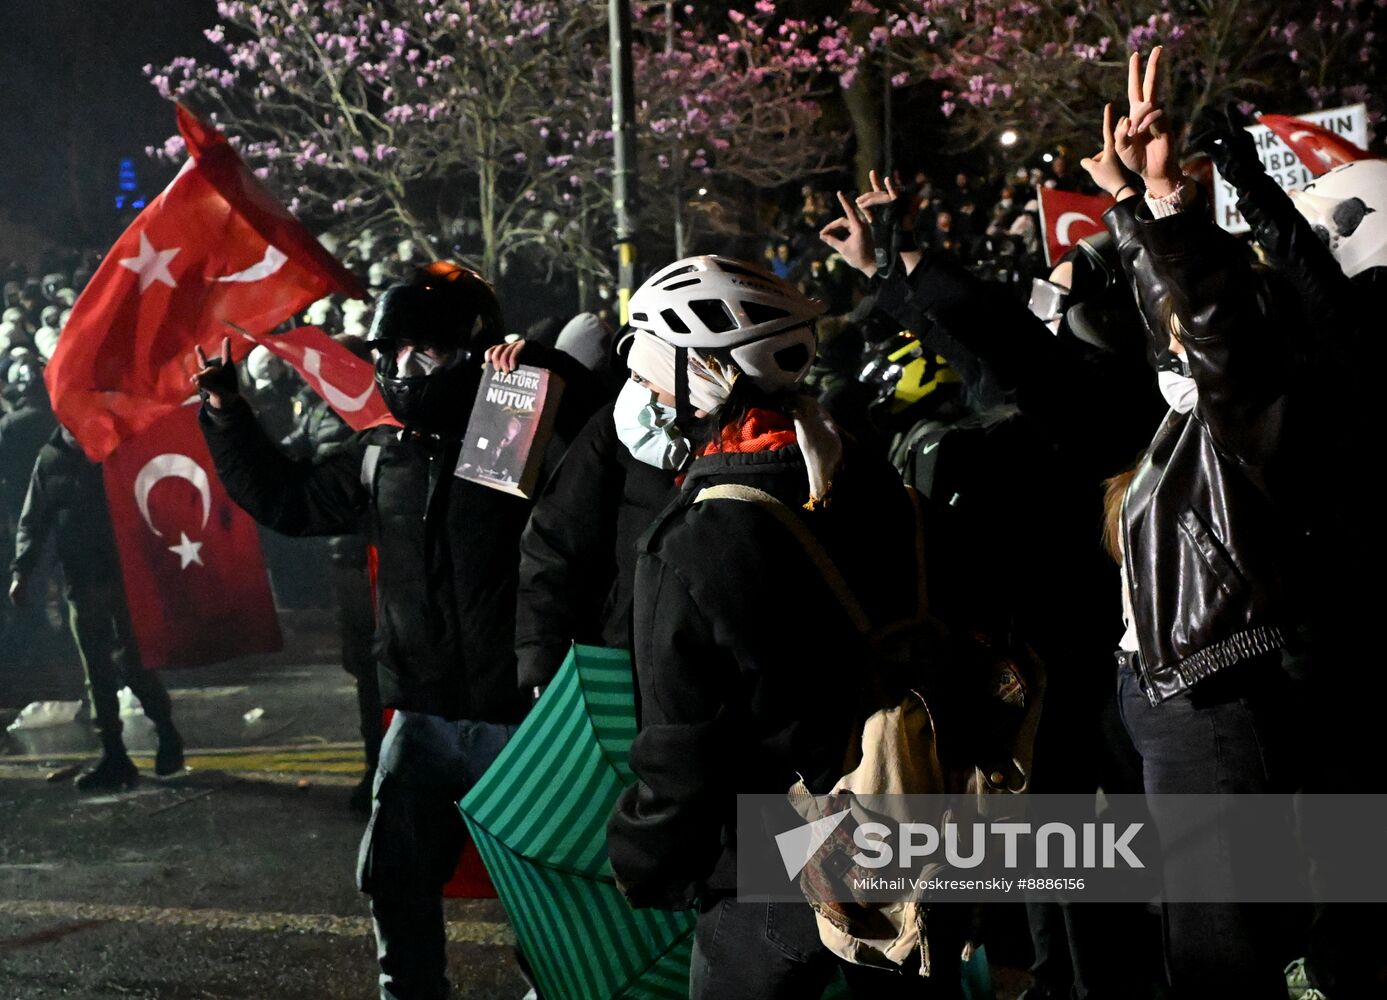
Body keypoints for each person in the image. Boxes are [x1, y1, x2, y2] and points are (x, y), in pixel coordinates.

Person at [193, 261, 591, 1000]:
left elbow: (609, 458)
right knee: (394, 879)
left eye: (425, 351)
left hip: (522, 718)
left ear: (473, 353)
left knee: (551, 889)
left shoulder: (528, 441)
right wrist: (227, 413)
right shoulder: (385, 456)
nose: (403, 368)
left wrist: (551, 378)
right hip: (424, 713)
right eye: (391, 352)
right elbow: (289, 500)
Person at [607, 255, 965, 998]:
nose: (638, 397)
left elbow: (680, 748)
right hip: (911, 840)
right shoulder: (886, 491)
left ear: (703, 381)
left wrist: (645, 859)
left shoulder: (694, 542)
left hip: (772, 864)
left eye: (649, 380)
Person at [1080, 49, 1311, 996]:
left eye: (1188, 314)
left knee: (1223, 957)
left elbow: (1210, 319)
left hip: (1211, 702)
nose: (1167, 326)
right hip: (1166, 695)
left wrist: (1169, 195)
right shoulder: (1185, 407)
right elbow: (1177, 314)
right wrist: (1128, 205)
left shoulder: (1247, 406)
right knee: (1196, 933)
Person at [9, 426, 185, 790]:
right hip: (81, 580)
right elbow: (35, 519)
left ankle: (166, 733)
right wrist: (22, 572)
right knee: (97, 673)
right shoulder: (50, 458)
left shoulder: (115, 447)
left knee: (133, 663)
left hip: (122, 576)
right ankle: (114, 755)